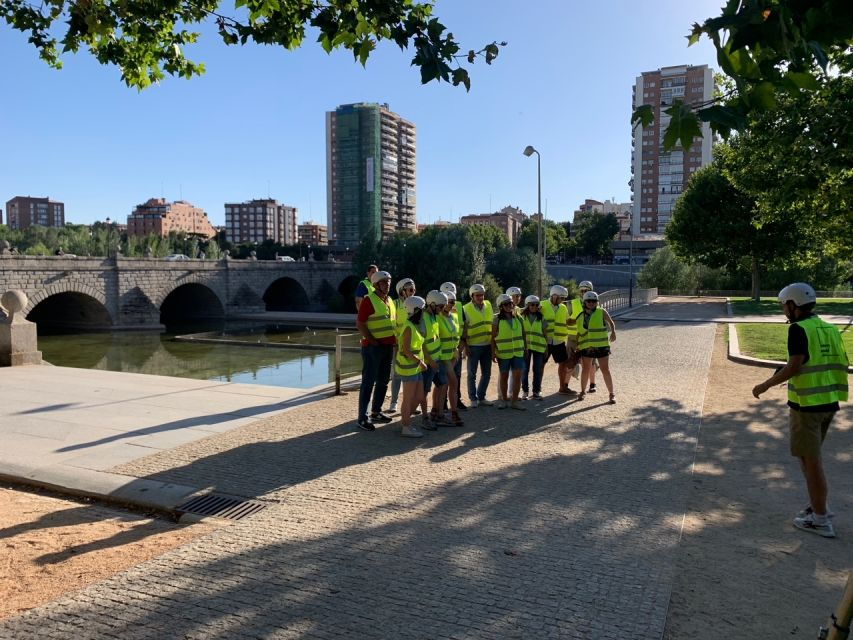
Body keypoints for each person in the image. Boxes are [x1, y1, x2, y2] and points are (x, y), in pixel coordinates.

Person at [752, 283, 849, 538]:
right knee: (809, 458)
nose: (783, 310)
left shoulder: (798, 329)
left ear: (793, 305)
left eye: (784, 305)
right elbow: (830, 360)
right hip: (828, 401)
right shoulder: (828, 328)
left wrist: (764, 385)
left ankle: (820, 518)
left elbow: (795, 366)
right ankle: (817, 505)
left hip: (806, 405)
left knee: (811, 461)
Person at [355, 270, 396, 431]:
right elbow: (360, 324)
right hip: (373, 348)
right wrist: (372, 341)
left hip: (387, 347)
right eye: (384, 282)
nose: (387, 285)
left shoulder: (389, 300)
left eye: (388, 282)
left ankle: (376, 411)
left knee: (383, 381)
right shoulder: (369, 300)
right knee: (368, 382)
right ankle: (362, 418)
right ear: (376, 285)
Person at [395, 296, 429, 438]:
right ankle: (406, 427)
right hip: (409, 367)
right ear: (416, 310)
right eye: (422, 309)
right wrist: (420, 362)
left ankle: (405, 420)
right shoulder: (409, 327)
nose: (424, 312)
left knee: (420, 396)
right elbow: (407, 351)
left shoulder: (414, 325)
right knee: (408, 398)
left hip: (414, 366)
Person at [574, 291, 617, 403]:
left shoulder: (601, 312)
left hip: (602, 346)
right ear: (584, 302)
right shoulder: (580, 316)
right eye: (589, 301)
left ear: (597, 302)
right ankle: (582, 392)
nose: (591, 303)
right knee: (585, 369)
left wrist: (613, 332)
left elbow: (611, 322)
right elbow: (579, 332)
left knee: (605, 370)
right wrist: (577, 345)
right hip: (587, 347)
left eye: (594, 301)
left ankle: (611, 394)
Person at [492, 294, 526, 410]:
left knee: (517, 377)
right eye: (506, 304)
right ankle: (503, 400)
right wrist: (493, 352)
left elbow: (524, 334)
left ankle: (515, 401)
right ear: (500, 306)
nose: (509, 306)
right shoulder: (496, 319)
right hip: (503, 353)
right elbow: (492, 338)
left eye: (510, 303)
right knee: (504, 376)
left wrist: (525, 348)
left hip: (518, 353)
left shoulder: (518, 318)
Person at [462, 283, 494, 407]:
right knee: (472, 374)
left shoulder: (488, 305)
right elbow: (464, 329)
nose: (480, 297)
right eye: (477, 295)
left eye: (482, 295)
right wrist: (466, 347)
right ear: (472, 296)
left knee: (487, 373)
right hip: (473, 346)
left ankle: (481, 397)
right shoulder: (466, 309)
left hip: (487, 345)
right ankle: (473, 399)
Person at [541, 285, 575, 395]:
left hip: (559, 341)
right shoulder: (542, 305)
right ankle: (537, 389)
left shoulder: (563, 307)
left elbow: (567, 321)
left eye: (564, 298)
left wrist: (579, 319)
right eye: (562, 298)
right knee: (541, 364)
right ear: (554, 296)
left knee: (563, 363)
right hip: (545, 341)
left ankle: (562, 387)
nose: (563, 300)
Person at [388, 277, 416, 413]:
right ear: (402, 291)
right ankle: (394, 402)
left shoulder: (417, 304)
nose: (413, 292)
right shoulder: (394, 304)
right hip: (398, 346)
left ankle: (411, 403)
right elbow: (391, 325)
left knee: (413, 374)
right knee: (397, 374)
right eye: (410, 290)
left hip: (414, 345)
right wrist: (395, 341)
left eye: (414, 289)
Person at [421, 290, 448, 429]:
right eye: (441, 306)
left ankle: (439, 414)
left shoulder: (434, 316)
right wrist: (430, 360)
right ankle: (424, 418)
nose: (442, 309)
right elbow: (421, 343)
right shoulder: (423, 318)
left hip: (437, 359)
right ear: (432, 304)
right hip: (429, 362)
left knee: (442, 384)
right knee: (424, 391)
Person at [437, 291, 464, 426]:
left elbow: (456, 336)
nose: (450, 304)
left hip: (452, 356)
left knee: (443, 385)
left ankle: (438, 412)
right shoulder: (437, 317)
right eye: (447, 302)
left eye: (452, 302)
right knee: (451, 383)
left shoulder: (454, 316)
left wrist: (457, 351)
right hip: (442, 356)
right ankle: (451, 413)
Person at [441, 282, 467, 411]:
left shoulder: (459, 306)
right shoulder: (438, 314)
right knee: (445, 378)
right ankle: (443, 403)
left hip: (457, 347)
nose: (451, 303)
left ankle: (457, 401)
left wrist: (462, 344)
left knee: (457, 376)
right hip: (444, 351)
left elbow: (464, 325)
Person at [521, 295, 547, 400]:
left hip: (539, 347)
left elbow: (545, 333)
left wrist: (546, 348)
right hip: (525, 348)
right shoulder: (521, 317)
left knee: (537, 370)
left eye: (536, 305)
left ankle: (536, 391)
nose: (534, 307)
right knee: (524, 370)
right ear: (527, 305)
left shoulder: (541, 317)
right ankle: (525, 392)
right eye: (532, 305)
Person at [570, 281, 594, 392]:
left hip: (589, 338)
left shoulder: (595, 304)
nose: (584, 292)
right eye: (582, 291)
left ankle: (592, 384)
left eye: (586, 290)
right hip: (574, 336)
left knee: (591, 362)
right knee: (571, 360)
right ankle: (565, 385)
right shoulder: (573, 303)